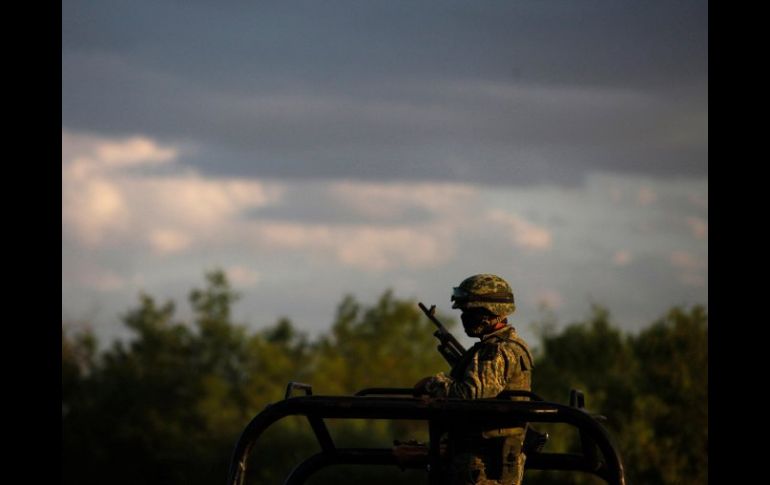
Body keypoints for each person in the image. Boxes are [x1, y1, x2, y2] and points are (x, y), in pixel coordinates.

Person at [414, 274, 534, 485]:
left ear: (489, 312)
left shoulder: (497, 350)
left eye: (468, 312)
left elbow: (470, 393)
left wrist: (432, 384)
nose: (463, 318)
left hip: (483, 465)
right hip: (482, 460)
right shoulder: (505, 346)